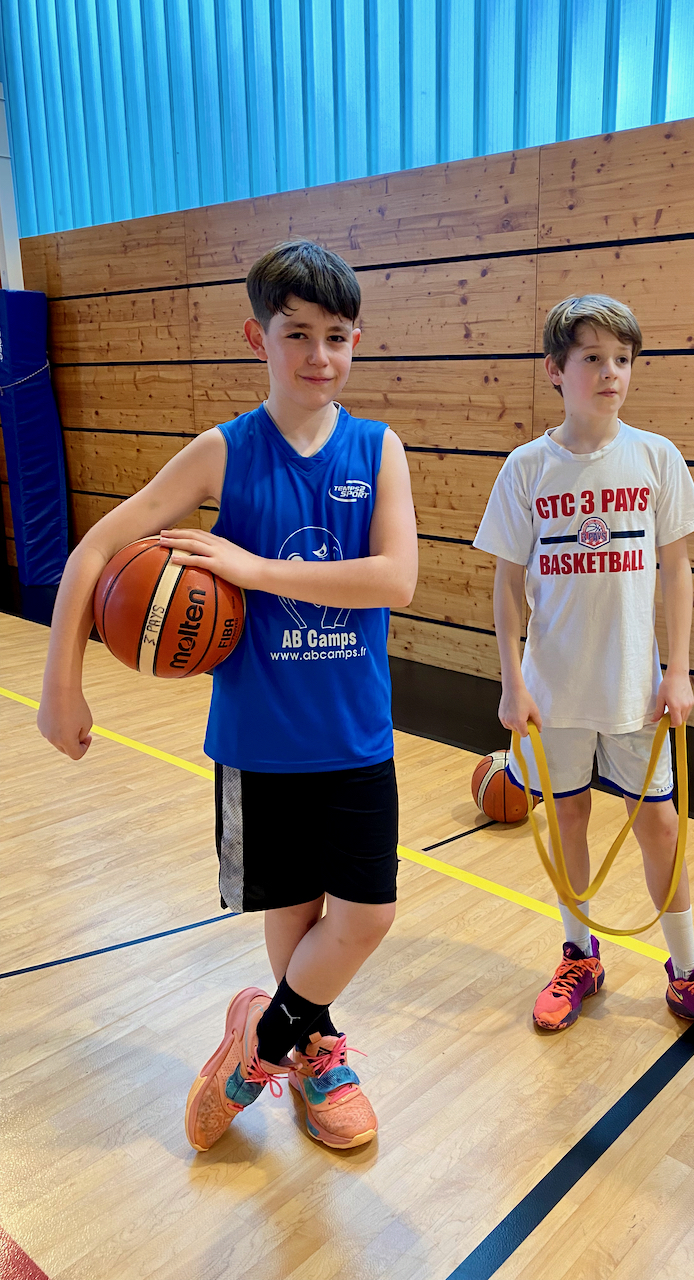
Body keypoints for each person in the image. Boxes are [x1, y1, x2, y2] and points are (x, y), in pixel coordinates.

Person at [37, 240, 419, 1150]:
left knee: (368, 915)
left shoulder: (378, 448)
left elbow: (396, 578)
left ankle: (258, 1045)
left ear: (357, 341)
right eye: (298, 335)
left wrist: (253, 567)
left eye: (337, 337)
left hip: (356, 735)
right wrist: (62, 684)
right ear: (258, 338)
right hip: (260, 740)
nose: (319, 356)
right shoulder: (224, 451)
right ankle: (314, 1056)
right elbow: (95, 550)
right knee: (293, 910)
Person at [473, 294, 694, 1044]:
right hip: (554, 691)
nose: (611, 373)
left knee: (660, 827)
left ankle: (688, 973)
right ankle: (579, 957)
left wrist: (679, 670)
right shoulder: (527, 468)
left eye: (623, 360)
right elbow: (506, 585)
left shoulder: (656, 457)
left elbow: (677, 569)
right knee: (569, 816)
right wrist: (511, 681)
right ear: (555, 370)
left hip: (636, 690)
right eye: (593, 358)